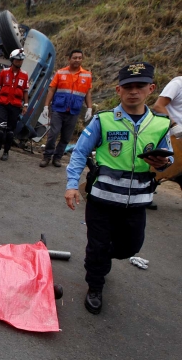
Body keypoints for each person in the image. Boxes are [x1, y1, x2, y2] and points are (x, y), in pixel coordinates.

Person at [65, 62, 173, 315]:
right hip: (102, 199)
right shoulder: (103, 120)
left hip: (137, 202)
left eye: (139, 86)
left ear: (151, 88)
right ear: (118, 90)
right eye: (127, 87)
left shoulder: (160, 124)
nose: (133, 91)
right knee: (97, 246)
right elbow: (79, 153)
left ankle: (100, 260)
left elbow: (171, 160)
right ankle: (95, 285)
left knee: (131, 247)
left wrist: (164, 162)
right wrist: (71, 185)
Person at [41, 49, 93, 168]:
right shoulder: (60, 73)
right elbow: (51, 90)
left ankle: (57, 158)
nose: (77, 60)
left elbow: (88, 93)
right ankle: (47, 156)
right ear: (69, 59)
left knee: (66, 137)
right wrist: (45, 106)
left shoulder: (87, 75)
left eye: (80, 58)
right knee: (53, 134)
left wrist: (89, 108)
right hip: (58, 109)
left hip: (74, 111)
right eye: (75, 58)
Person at [0, 48, 29, 162]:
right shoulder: (4, 72)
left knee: (10, 131)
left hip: (15, 106)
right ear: (12, 60)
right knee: (0, 130)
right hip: (3, 104)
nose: (19, 62)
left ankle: (6, 152)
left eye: (21, 60)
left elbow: (25, 91)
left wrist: (25, 105)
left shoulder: (24, 75)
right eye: (17, 60)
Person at [153, 76, 182, 190]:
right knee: (159, 169)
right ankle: (146, 190)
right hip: (172, 134)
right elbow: (158, 106)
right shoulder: (177, 84)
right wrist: (174, 125)